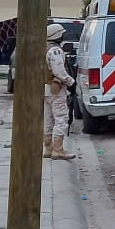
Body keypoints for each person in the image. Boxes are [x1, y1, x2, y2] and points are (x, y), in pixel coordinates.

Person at [44, 24, 76, 160]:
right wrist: (71, 82)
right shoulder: (55, 51)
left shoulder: (45, 49)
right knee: (61, 119)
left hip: (45, 88)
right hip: (55, 89)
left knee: (48, 119)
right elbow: (59, 72)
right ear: (57, 35)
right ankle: (58, 150)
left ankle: (48, 149)